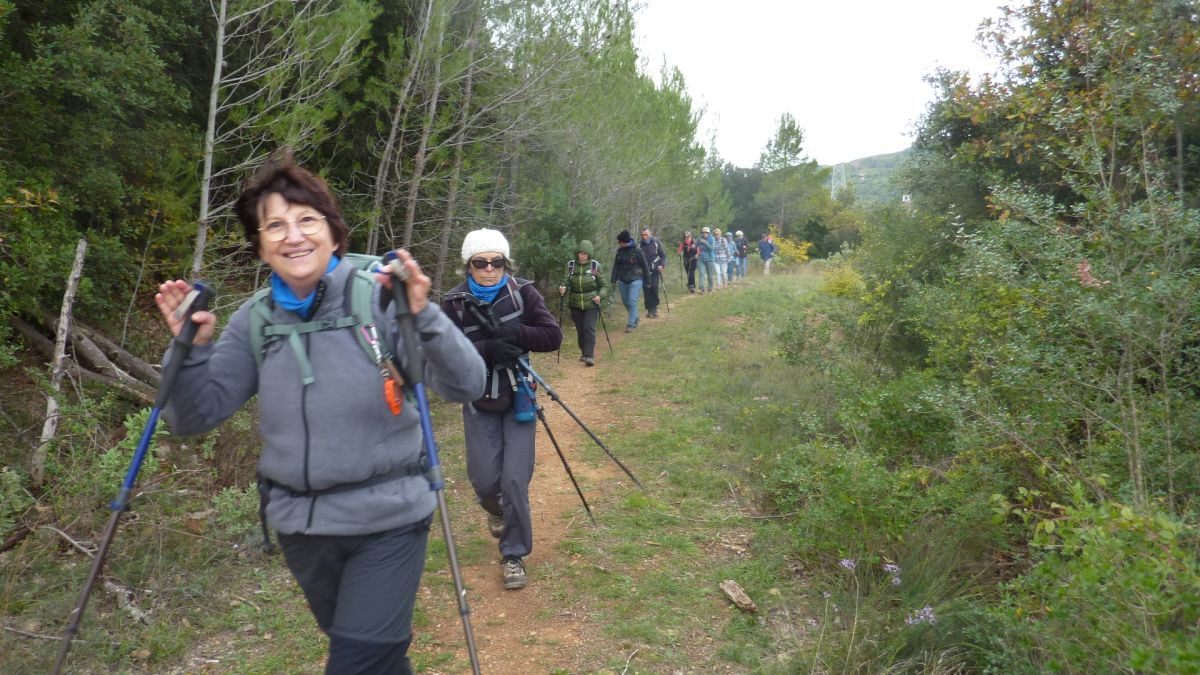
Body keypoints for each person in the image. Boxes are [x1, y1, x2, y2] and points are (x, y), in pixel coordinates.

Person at [154, 152, 487, 675]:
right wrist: (189, 349)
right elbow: (193, 417)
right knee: (374, 659)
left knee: (357, 662)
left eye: (307, 219)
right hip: (302, 529)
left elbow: (467, 383)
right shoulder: (254, 321)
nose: (293, 236)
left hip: (389, 518)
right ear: (260, 245)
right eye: (275, 225)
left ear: (333, 232)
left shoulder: (382, 297)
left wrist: (424, 315)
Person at [441, 229, 563, 591]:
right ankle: (494, 511)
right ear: (469, 265)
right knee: (484, 480)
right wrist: (485, 350)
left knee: (514, 480)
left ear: (505, 263)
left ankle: (514, 555)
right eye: (481, 262)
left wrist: (515, 336)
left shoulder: (523, 292)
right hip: (478, 398)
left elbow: (552, 336)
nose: (489, 269)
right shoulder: (453, 304)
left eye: (496, 262)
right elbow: (444, 354)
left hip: (520, 398)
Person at [558, 240, 606, 366]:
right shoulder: (570, 266)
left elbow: (604, 285)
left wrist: (600, 296)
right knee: (580, 330)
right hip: (575, 303)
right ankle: (584, 352)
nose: (582, 256)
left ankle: (589, 355)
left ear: (589, 254)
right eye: (580, 253)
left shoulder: (595, 267)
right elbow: (565, 282)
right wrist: (563, 288)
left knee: (589, 328)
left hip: (591, 303)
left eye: (585, 254)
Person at [611, 229, 651, 331]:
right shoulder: (619, 252)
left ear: (623, 242)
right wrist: (613, 279)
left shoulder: (637, 251)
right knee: (625, 302)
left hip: (636, 279)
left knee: (632, 301)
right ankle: (635, 317)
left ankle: (630, 324)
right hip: (623, 280)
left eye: (619, 242)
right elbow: (616, 266)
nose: (618, 244)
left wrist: (648, 281)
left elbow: (645, 266)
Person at [638, 227, 667, 317]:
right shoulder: (639, 245)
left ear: (650, 234)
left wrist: (661, 265)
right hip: (644, 271)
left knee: (654, 287)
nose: (644, 237)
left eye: (646, 235)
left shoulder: (656, 242)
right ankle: (649, 310)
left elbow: (662, 256)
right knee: (646, 289)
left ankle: (654, 309)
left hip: (655, 269)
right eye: (642, 235)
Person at [696, 226, 716, 294]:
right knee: (701, 273)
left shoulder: (712, 239)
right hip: (700, 259)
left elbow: (712, 248)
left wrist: (705, 243)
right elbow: (696, 246)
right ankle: (702, 289)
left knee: (710, 275)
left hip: (709, 259)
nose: (704, 234)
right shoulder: (699, 239)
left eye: (706, 232)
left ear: (708, 233)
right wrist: (694, 247)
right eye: (703, 232)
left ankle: (710, 288)